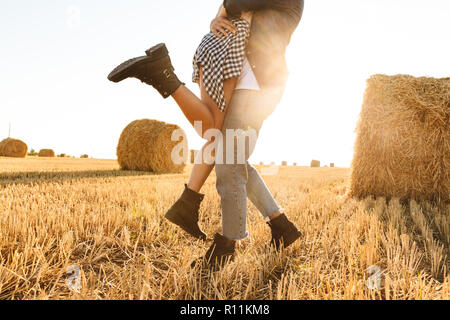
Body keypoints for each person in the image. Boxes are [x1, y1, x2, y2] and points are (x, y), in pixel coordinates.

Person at [108, 0, 304, 269]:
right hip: (243, 77)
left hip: (257, 87)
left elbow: (238, 2)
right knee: (229, 155)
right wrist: (217, 18)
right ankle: (282, 226)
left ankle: (225, 247)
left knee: (229, 163)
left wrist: (224, 11)